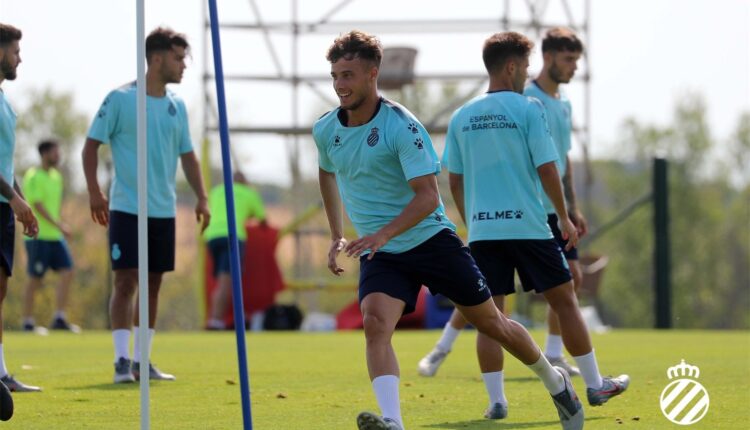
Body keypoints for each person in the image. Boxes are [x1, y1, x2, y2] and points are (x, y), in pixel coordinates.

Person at [313, 30, 583, 430]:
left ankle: (554, 380)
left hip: (430, 240)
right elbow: (327, 171)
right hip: (383, 251)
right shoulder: (325, 129)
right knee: (374, 323)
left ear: (373, 74)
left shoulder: (402, 127)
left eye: (348, 75)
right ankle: (392, 421)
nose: (339, 85)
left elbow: (427, 197)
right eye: (335, 75)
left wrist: (383, 234)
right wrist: (338, 232)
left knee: (493, 324)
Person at [432, 31, 629, 419]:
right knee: (565, 301)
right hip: (530, 226)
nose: (526, 73)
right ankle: (593, 384)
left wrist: (471, 219)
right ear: (510, 67)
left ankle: (496, 403)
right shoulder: (529, 109)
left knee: (492, 319)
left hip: (485, 233)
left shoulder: (462, 116)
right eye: (523, 66)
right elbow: (548, 168)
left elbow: (453, 178)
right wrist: (563, 216)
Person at [419, 27, 589, 377]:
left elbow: (562, 158)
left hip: (536, 213)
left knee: (559, 284)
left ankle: (551, 357)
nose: (574, 67)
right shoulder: (524, 101)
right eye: (569, 59)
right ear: (545, 57)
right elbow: (543, 166)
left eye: (577, 60)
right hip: (532, 214)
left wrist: (571, 207)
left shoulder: (562, 105)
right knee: (495, 301)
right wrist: (560, 213)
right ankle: (443, 346)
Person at [82, 27, 210, 384]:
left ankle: (142, 360)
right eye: (178, 57)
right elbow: (91, 146)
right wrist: (94, 191)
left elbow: (188, 155)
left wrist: (202, 197)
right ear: (157, 58)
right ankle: (121, 361)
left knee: (153, 284)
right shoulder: (121, 99)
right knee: (125, 282)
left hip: (163, 210)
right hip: (126, 207)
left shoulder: (177, 106)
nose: (183, 65)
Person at [0, 22, 41, 394]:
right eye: (15, 51)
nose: (19, 59)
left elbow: (4, 166)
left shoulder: (4, 101)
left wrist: (19, 202)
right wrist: (14, 198)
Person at [21, 139, 79, 333]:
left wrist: (59, 225)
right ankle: (28, 322)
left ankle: (59, 318)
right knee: (35, 278)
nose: (58, 155)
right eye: (55, 152)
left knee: (67, 271)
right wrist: (59, 225)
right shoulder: (33, 176)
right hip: (37, 236)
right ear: (44, 153)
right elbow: (37, 205)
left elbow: (55, 206)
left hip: (55, 236)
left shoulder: (57, 177)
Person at [204, 171, 266, 330]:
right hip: (232, 236)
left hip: (211, 237)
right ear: (245, 182)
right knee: (227, 281)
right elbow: (263, 220)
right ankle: (215, 321)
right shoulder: (249, 192)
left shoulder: (216, 190)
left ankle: (218, 317)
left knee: (220, 281)